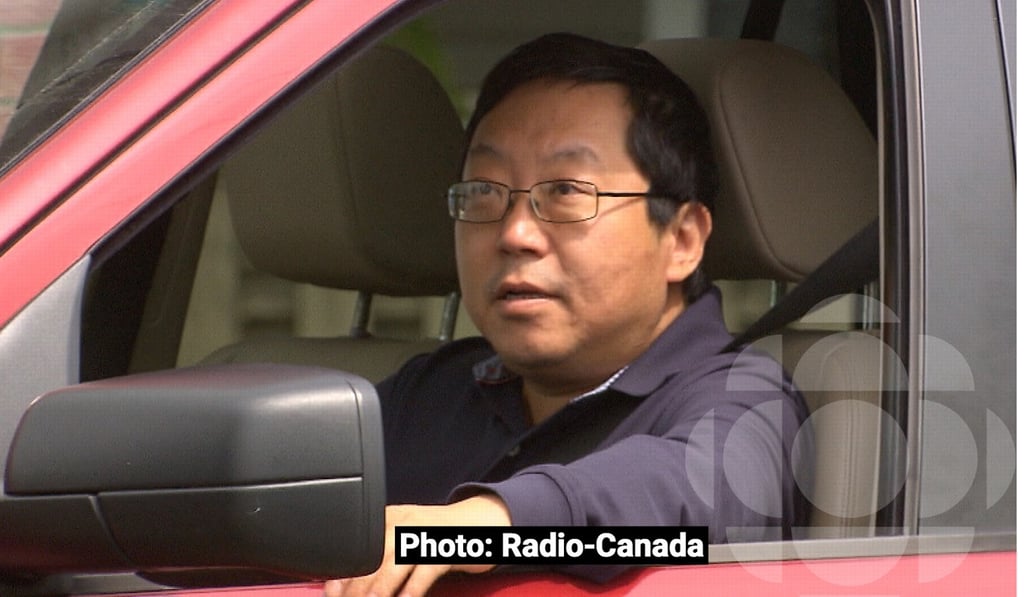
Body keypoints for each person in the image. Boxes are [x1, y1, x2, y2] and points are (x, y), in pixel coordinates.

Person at [326, 32, 811, 597]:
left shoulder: (746, 403)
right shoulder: (430, 394)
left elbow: (679, 511)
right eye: (484, 192)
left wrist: (486, 526)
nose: (514, 234)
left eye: (565, 191)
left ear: (682, 239)